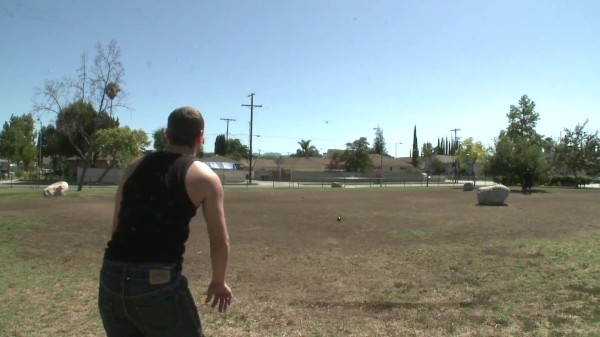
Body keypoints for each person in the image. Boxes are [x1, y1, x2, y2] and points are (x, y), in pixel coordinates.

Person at [98, 107, 232, 337]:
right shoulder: (204, 177)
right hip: (157, 285)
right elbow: (219, 240)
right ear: (200, 136)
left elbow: (117, 226)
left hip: (110, 277)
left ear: (167, 134)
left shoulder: (133, 167)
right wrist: (218, 282)